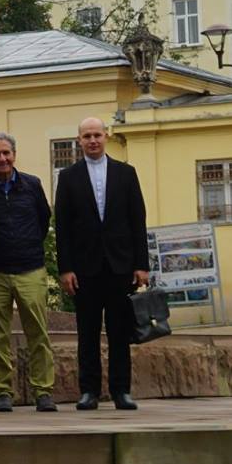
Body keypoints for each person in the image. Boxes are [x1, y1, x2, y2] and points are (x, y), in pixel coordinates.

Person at [54, 117, 150, 411]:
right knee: (87, 332)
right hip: (85, 269)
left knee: (119, 331)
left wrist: (141, 264)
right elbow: (63, 226)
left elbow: (138, 220)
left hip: (121, 266)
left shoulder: (126, 173)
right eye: (87, 136)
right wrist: (66, 268)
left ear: (105, 136)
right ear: (79, 140)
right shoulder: (68, 177)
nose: (92, 140)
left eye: (97, 134)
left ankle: (122, 391)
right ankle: (89, 391)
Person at [0, 132, 55, 413]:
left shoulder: (32, 185)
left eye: (6, 153)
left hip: (30, 269)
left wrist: (28, 245)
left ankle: (43, 390)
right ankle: (2, 391)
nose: (2, 159)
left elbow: (43, 218)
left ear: (14, 154)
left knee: (39, 333)